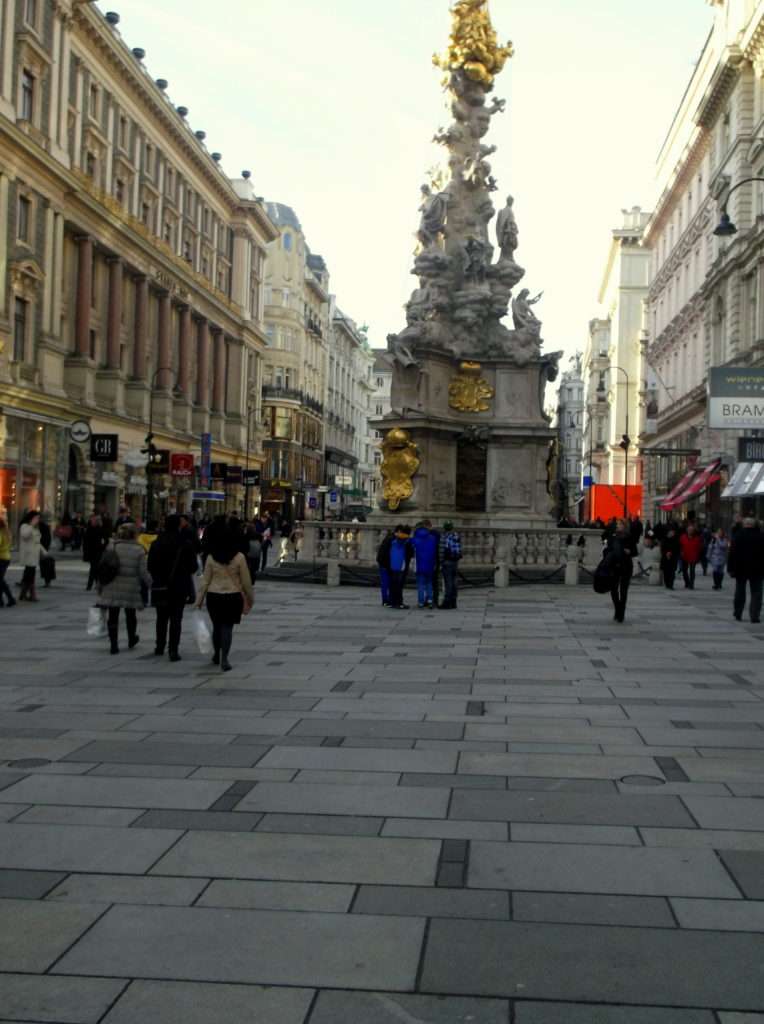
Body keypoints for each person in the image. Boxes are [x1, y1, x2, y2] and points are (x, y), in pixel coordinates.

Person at [196, 523, 254, 672]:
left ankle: (216, 653)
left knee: (216, 626)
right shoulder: (239, 557)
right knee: (227, 628)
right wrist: (250, 597)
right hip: (233, 596)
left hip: (214, 596)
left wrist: (199, 600)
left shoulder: (211, 557)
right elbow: (246, 581)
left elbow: (205, 580)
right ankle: (225, 658)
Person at [147, 515, 198, 661]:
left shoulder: (156, 543)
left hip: (160, 586)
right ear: (178, 526)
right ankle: (173, 650)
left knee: (161, 617)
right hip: (179, 586)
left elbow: (150, 566)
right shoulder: (185, 543)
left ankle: (159, 646)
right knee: (176, 619)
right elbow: (193, 567)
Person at [97, 522, 151, 654]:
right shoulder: (139, 550)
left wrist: (100, 585)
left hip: (112, 584)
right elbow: (143, 572)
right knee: (130, 614)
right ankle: (131, 638)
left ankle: (113, 645)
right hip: (131, 586)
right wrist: (151, 583)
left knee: (113, 615)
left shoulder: (112, 547)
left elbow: (103, 567)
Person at [728, 518, 764, 623]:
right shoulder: (761, 536)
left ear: (744, 525)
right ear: (754, 525)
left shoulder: (738, 536)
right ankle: (754, 615)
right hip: (757, 570)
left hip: (741, 569)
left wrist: (731, 568)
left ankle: (738, 613)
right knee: (757, 593)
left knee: (740, 591)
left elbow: (732, 553)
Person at [603, 517, 637, 623]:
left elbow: (635, 552)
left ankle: (621, 613)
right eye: (617, 524)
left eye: (620, 524)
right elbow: (607, 549)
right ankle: (617, 609)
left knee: (623, 591)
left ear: (625, 526)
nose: (618, 526)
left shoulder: (629, 537)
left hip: (626, 566)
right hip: (614, 566)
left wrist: (629, 551)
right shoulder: (613, 536)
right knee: (613, 590)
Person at [18, 510, 43, 602]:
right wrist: (32, 525)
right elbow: (24, 535)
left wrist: (44, 552)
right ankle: (31, 594)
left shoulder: (35, 528)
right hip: (28, 555)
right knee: (30, 575)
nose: (38, 520)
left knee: (28, 575)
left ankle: (23, 594)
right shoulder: (25, 526)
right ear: (31, 518)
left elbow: (37, 542)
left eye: (38, 518)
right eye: (36, 518)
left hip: (34, 554)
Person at [413, 520, 438, 608]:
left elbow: (413, 550)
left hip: (419, 564)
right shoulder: (432, 538)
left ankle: (421, 602)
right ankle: (430, 601)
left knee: (421, 584)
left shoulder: (415, 538)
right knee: (429, 583)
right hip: (430, 564)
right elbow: (434, 551)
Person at [389, 525, 414, 610]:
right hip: (400, 566)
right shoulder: (406, 542)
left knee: (394, 584)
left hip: (393, 565)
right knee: (399, 585)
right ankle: (399, 603)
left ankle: (393, 602)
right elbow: (411, 553)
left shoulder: (394, 541)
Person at [440, 521, 462, 610]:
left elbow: (441, 550)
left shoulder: (444, 537)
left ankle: (447, 602)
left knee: (448, 582)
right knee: (454, 582)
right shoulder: (456, 536)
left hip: (447, 561)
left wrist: (441, 562)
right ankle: (454, 601)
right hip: (455, 561)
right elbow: (459, 549)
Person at [83, 513, 107, 590]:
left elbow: (105, 540)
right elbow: (85, 542)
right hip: (92, 552)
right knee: (95, 569)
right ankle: (96, 584)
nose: (91, 521)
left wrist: (102, 546)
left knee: (94, 569)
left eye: (93, 520)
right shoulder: (90, 529)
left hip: (97, 552)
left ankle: (90, 585)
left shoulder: (100, 529)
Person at [679, 523, 703, 590]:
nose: (690, 531)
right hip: (685, 556)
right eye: (689, 530)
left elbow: (699, 548)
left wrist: (698, 557)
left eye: (691, 530)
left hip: (693, 557)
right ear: (686, 530)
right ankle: (687, 582)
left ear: (694, 531)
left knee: (692, 571)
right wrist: (681, 552)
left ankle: (691, 584)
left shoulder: (697, 538)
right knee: (684, 571)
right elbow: (680, 546)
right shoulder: (683, 537)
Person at [0, 514, 16, 608]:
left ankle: (10, 598)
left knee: (1, 581)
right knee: (0, 580)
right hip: (6, 558)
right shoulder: (6, 532)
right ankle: (2, 600)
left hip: (1, 558)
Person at [376, 529, 393, 607]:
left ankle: (385, 600)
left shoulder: (384, 543)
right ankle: (387, 600)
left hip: (383, 565)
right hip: (387, 565)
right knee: (388, 584)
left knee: (384, 584)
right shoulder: (391, 542)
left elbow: (379, 557)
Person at [660, 526, 680, 590]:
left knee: (672, 572)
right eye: (670, 532)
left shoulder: (676, 540)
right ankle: (667, 583)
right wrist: (666, 553)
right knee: (666, 572)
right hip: (665, 558)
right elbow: (662, 548)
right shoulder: (664, 539)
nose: (671, 533)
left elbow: (677, 548)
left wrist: (671, 552)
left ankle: (671, 584)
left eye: (673, 532)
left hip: (673, 558)